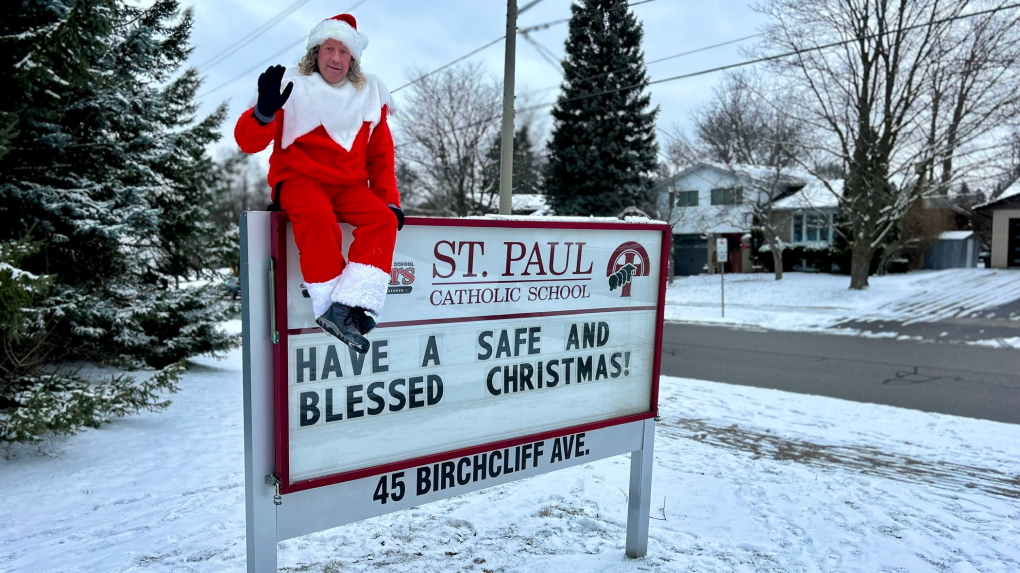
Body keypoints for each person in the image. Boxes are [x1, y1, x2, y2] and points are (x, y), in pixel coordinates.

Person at [234, 13, 402, 354]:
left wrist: (389, 199)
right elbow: (247, 142)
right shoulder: (290, 83)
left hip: (349, 185)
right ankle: (328, 306)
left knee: (383, 221)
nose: (336, 58)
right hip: (299, 179)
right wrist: (263, 114)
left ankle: (349, 305)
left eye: (343, 51)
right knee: (317, 215)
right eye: (329, 49)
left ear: (353, 57)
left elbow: (381, 155)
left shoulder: (370, 92)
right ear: (316, 51)